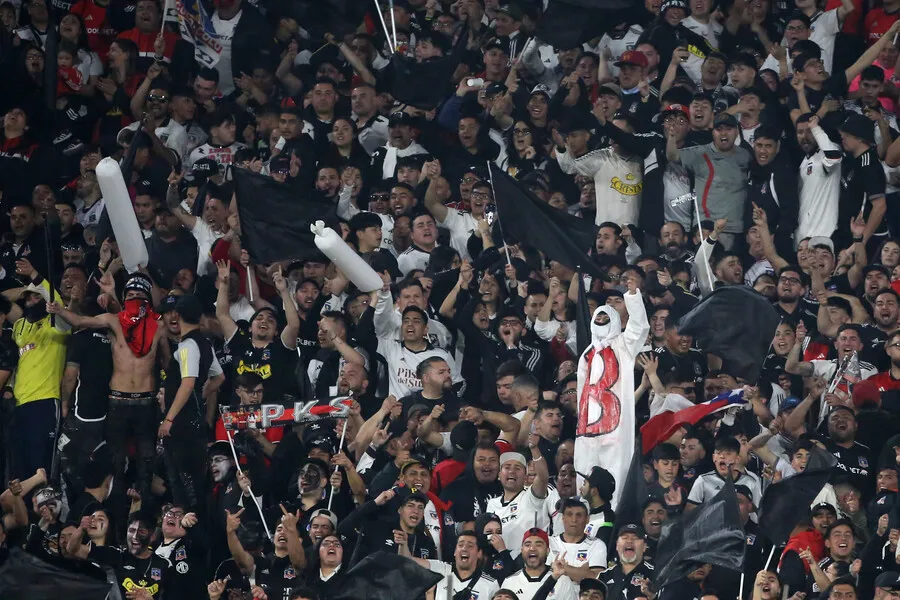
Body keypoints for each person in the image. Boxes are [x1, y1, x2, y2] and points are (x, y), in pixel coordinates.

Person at [49, 272, 166, 500]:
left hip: (146, 400)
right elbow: (81, 321)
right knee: (114, 457)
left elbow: (168, 362)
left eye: (140, 295)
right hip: (117, 400)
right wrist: (59, 310)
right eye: (130, 295)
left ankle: (142, 504)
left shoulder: (158, 327)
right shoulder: (114, 321)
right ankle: (115, 504)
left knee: (146, 457)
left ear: (148, 299)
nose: (135, 299)